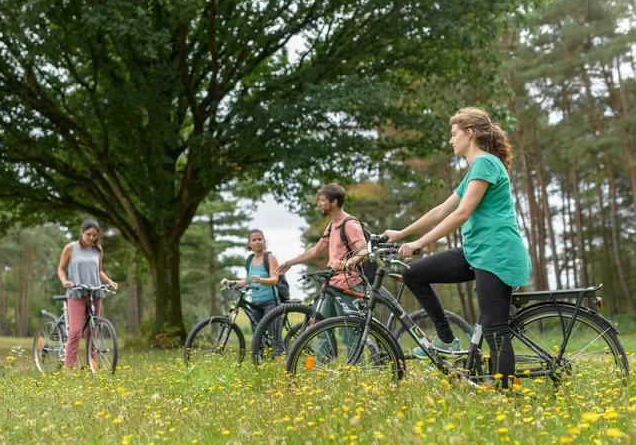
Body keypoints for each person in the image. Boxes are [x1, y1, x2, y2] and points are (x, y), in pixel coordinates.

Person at [383, 107, 531, 389]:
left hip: (496, 253)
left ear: (469, 133)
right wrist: (401, 234)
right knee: (415, 274)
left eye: (453, 134)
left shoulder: (485, 163)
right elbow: (441, 210)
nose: (451, 140)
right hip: (477, 250)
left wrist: (419, 243)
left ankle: (506, 397)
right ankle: (447, 340)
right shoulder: (477, 169)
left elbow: (462, 213)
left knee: (495, 329)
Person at [275, 183, 370, 318]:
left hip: (349, 285)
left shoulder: (350, 224)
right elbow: (315, 250)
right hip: (332, 284)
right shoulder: (332, 225)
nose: (319, 204)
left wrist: (347, 262)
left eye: (322, 200)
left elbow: (364, 252)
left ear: (334, 202)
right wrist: (289, 263)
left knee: (349, 334)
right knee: (320, 330)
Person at [56, 219, 119, 368]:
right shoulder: (70, 248)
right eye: (88, 234)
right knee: (76, 331)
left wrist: (109, 281)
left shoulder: (98, 250)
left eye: (94, 235)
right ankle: (68, 366)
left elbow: (99, 271)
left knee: (93, 330)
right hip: (77, 293)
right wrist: (64, 280)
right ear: (82, 232)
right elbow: (61, 268)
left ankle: (93, 364)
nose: (91, 238)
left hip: (95, 293)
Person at [220, 229, 284, 355]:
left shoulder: (270, 257)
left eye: (259, 239)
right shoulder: (249, 259)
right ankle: (261, 365)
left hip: (271, 302)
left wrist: (261, 280)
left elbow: (274, 279)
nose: (257, 242)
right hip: (255, 303)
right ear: (249, 244)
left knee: (275, 338)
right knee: (257, 338)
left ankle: (284, 367)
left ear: (264, 241)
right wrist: (230, 282)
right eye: (253, 240)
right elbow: (247, 280)